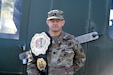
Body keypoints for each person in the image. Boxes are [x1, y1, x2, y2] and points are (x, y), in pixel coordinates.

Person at [27, 9, 86, 75]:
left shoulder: (71, 40)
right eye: (52, 21)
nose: (55, 23)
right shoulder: (40, 40)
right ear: (47, 22)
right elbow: (31, 62)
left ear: (63, 22)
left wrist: (68, 71)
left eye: (58, 21)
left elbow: (81, 59)